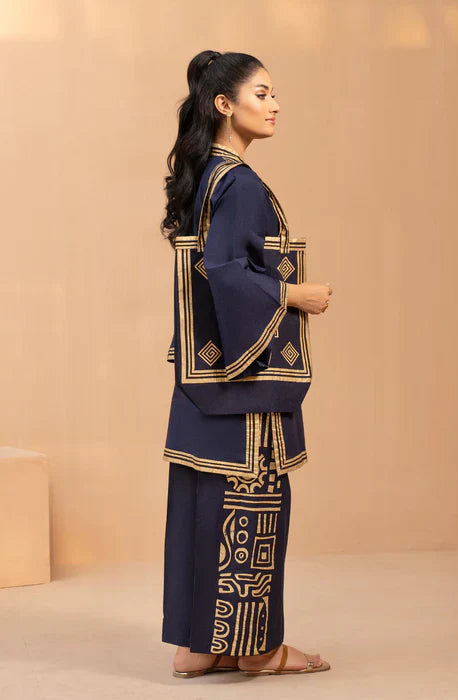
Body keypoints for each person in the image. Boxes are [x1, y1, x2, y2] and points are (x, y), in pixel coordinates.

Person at [159, 50, 332, 678]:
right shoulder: (240, 183)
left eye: (274, 93)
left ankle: (199, 646)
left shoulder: (203, 176)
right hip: (245, 387)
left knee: (205, 504)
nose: (275, 105)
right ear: (223, 105)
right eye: (262, 94)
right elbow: (227, 273)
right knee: (252, 502)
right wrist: (294, 294)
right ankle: (257, 648)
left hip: (202, 382)